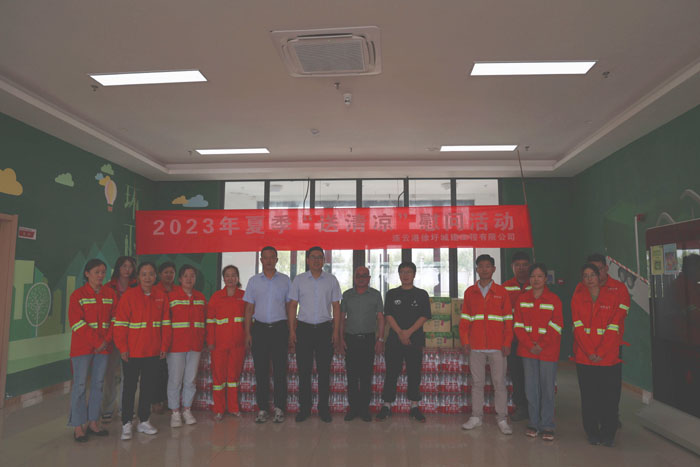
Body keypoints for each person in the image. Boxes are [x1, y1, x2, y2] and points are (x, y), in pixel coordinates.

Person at [572, 263, 626, 447]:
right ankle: (592, 432)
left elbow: (614, 327)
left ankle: (608, 433)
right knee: (589, 398)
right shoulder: (578, 298)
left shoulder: (612, 297)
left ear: (599, 276)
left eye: (592, 275)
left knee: (609, 398)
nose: (589, 279)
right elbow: (578, 327)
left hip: (608, 358)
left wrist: (600, 352)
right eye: (585, 276)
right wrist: (590, 352)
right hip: (585, 357)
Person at [113, 262, 169, 441]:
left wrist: (164, 346)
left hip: (153, 351)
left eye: (151, 274)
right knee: (129, 388)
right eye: (144, 274)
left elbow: (166, 324)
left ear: (155, 276)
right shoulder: (129, 296)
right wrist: (123, 348)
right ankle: (126, 423)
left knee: (148, 387)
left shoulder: (161, 296)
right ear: (138, 277)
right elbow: (120, 325)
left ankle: (144, 420)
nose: (147, 277)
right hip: (132, 352)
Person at [460, 254, 514, 435]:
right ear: (476, 269)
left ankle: (502, 419)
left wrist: (507, 342)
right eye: (481, 266)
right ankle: (476, 417)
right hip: (476, 346)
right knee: (477, 383)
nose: (484, 269)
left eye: (488, 266)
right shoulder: (470, 292)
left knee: (499, 384)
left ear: (494, 269)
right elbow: (465, 320)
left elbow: (508, 320)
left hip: (498, 347)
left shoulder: (502, 292)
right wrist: (465, 341)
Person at [288, 246, 342, 423]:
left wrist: (335, 331)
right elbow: (293, 306)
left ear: (324, 260)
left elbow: (336, 307)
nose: (316, 260)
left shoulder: (331, 280)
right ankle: (304, 408)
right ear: (307, 260)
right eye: (313, 257)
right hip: (303, 329)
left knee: (324, 372)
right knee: (304, 371)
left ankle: (323, 409)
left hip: (325, 329)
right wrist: (292, 330)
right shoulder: (299, 280)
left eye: (320, 257)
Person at [67, 259, 117, 442]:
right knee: (80, 386)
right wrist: (98, 342)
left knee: (98, 385)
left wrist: (106, 341)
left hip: (103, 348)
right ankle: (78, 426)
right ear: (87, 273)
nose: (100, 275)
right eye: (97, 272)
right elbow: (76, 323)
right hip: (82, 348)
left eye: (103, 272)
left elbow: (115, 319)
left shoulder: (110, 294)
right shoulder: (77, 295)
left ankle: (93, 422)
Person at [513, 263, 563, 441]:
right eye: (533, 276)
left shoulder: (554, 300)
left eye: (540, 276)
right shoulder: (522, 299)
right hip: (528, 351)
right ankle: (533, 422)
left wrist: (540, 344)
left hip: (548, 351)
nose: (536, 279)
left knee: (547, 389)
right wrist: (529, 344)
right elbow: (518, 325)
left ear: (545, 279)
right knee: (531, 388)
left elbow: (556, 325)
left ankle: (547, 424)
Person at [377, 261, 431, 423]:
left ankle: (414, 406)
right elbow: (388, 315)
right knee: (391, 372)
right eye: (402, 272)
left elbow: (424, 316)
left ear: (414, 274)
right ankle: (386, 405)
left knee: (414, 373)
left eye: (409, 272)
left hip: (415, 340)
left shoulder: (422, 294)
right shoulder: (392, 294)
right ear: (399, 274)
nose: (405, 275)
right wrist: (401, 333)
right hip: (394, 340)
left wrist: (408, 332)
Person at [243, 247, 292, 424]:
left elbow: (289, 307)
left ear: (277, 260)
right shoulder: (254, 281)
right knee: (261, 371)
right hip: (260, 329)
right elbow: (249, 308)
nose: (269, 260)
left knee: (280, 370)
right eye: (266, 257)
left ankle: (279, 408)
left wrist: (291, 331)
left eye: (272, 257)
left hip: (280, 329)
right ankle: (262, 409)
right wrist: (247, 332)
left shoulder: (285, 280)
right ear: (261, 260)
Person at [162, 264, 206, 427]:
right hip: (176, 346)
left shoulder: (200, 297)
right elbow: (166, 322)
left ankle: (187, 410)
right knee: (175, 380)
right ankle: (175, 412)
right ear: (180, 279)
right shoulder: (171, 297)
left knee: (190, 380)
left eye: (192, 276)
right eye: (186, 276)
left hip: (195, 345)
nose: (189, 279)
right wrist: (165, 345)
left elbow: (204, 321)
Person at [340, 266, 385, 422]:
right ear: (354, 278)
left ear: (369, 278)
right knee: (351, 376)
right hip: (350, 340)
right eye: (358, 275)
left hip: (368, 340)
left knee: (366, 376)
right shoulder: (347, 295)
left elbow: (381, 318)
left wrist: (380, 339)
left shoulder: (375, 295)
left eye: (364, 275)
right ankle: (353, 409)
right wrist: (340, 338)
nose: (361, 278)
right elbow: (342, 318)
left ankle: (364, 409)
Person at [101, 255, 137, 424]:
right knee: (109, 374)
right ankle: (108, 409)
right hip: (112, 336)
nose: (127, 269)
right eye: (124, 266)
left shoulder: (137, 286)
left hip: (131, 336)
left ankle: (125, 408)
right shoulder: (108, 287)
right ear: (118, 268)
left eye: (130, 266)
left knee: (128, 375)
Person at [208, 265, 247, 420]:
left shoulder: (244, 296)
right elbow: (210, 321)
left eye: (233, 275)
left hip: (238, 344)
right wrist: (210, 341)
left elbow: (248, 320)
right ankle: (219, 409)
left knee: (233, 378)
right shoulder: (216, 297)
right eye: (227, 275)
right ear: (223, 278)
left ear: (237, 278)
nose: (230, 278)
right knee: (219, 378)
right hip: (219, 344)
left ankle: (233, 408)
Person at [502, 251, 532, 421]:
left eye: (524, 265)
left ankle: (534, 407)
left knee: (533, 376)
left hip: (532, 340)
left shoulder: (536, 284)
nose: (521, 268)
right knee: (517, 375)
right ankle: (521, 406)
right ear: (512, 267)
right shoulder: (505, 287)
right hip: (513, 340)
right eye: (517, 265)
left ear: (529, 266)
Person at [152, 261, 176, 415]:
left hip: (176, 337)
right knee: (157, 372)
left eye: (171, 272)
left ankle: (169, 399)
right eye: (166, 272)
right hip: (157, 337)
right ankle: (156, 401)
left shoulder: (179, 290)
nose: (169, 275)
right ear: (159, 275)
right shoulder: (154, 290)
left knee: (171, 372)